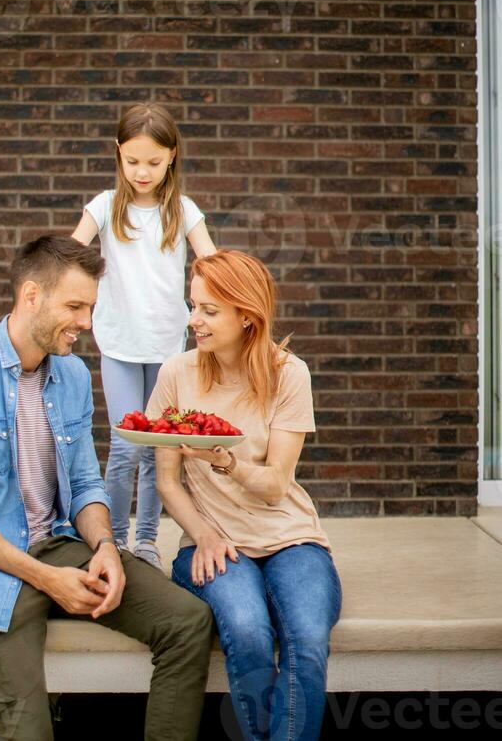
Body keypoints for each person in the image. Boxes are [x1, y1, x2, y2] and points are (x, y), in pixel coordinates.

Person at [0, 235, 214, 741]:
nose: (86, 324)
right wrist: (47, 579)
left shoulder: (71, 375)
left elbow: (84, 484)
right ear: (31, 296)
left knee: (187, 621)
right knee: (28, 728)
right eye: (75, 306)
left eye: (91, 308)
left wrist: (105, 549)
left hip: (55, 546)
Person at [149, 249, 342, 741]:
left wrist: (226, 461)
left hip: (291, 536)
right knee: (250, 633)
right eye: (193, 306)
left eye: (209, 311)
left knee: (306, 639)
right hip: (214, 541)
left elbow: (277, 482)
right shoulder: (177, 373)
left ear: (247, 316)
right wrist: (202, 532)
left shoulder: (288, 373)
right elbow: (167, 481)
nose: (195, 321)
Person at [72, 103, 216, 571]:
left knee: (159, 452)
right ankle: (111, 541)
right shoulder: (104, 206)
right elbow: (73, 253)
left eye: (153, 162)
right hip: (118, 344)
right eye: (133, 161)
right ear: (119, 154)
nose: (142, 171)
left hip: (167, 346)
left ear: (172, 157)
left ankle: (148, 541)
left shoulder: (183, 210)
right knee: (125, 446)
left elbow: (212, 262)